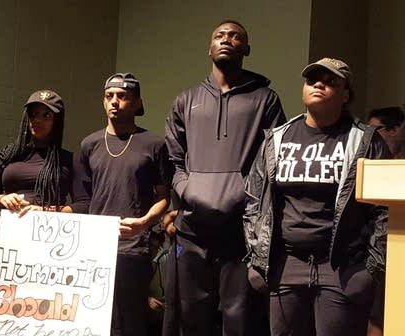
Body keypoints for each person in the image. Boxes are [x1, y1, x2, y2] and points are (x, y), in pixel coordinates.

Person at [243, 57, 391, 336]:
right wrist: (256, 259)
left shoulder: (365, 140)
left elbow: (382, 209)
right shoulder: (277, 139)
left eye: (330, 80)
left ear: (346, 93)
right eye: (312, 80)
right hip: (285, 265)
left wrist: (371, 267)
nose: (319, 84)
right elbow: (254, 200)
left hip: (341, 267)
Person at [163, 19, 286, 336]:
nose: (227, 39)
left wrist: (243, 197)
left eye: (236, 36)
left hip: (240, 229)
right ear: (210, 47)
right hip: (192, 227)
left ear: (246, 49)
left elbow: (273, 162)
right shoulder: (185, 101)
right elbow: (174, 159)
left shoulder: (266, 100)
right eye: (220, 35)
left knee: (239, 315)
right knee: (192, 312)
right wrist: (188, 191)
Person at [74, 72, 172, 336]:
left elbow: (165, 196)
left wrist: (143, 224)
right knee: (92, 322)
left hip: (134, 249)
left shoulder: (154, 144)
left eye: (122, 96)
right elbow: (83, 200)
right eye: (109, 96)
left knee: (128, 325)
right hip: (94, 250)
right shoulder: (89, 144)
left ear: (137, 103)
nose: (114, 102)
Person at [0, 89, 76, 271]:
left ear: (57, 121)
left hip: (49, 241)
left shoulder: (68, 160)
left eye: (46, 115)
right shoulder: (7, 154)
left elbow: (84, 205)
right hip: (8, 239)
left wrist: (47, 210)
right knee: (3, 297)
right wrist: (2, 199)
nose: (37, 120)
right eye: (33, 115)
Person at [365, 106, 405, 336]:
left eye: (375, 130)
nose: (370, 138)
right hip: (379, 254)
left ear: (396, 129)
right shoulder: (372, 168)